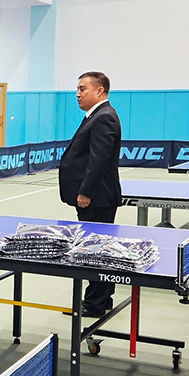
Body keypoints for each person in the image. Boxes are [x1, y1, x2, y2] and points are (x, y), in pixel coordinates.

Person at [58, 71, 122, 317]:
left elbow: (99, 160)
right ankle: (102, 298)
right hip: (96, 196)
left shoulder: (104, 117)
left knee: (94, 250)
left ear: (99, 90)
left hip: (97, 197)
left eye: (82, 88)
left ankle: (94, 304)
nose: (77, 93)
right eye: (77, 88)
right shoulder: (96, 115)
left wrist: (85, 192)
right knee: (99, 248)